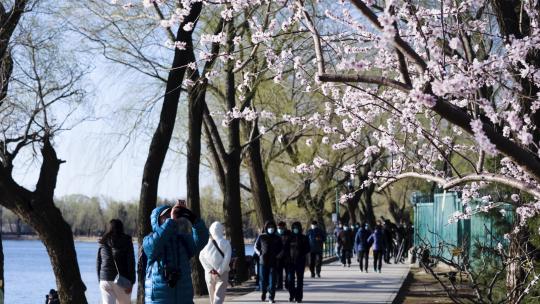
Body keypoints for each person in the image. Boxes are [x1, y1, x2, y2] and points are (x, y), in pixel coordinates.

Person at [143, 200, 209, 304]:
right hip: (159, 301)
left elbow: (202, 239)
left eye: (171, 214)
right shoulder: (149, 240)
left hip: (184, 300)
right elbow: (154, 246)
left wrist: (193, 219)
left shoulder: (182, 240)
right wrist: (171, 221)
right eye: (166, 216)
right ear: (156, 220)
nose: (170, 217)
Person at [97, 219, 135, 304]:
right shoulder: (127, 241)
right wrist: (132, 282)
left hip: (105, 279)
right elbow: (131, 263)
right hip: (122, 279)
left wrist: (100, 279)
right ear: (122, 228)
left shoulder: (103, 242)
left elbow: (98, 263)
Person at [199, 221, 232, 304]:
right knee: (218, 298)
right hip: (222, 274)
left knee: (212, 298)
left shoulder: (206, 244)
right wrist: (219, 271)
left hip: (209, 274)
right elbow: (227, 259)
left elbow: (201, 257)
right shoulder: (226, 243)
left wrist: (210, 270)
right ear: (221, 230)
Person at [255, 220, 283, 303]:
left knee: (272, 281)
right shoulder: (261, 237)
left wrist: (279, 255)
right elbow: (256, 247)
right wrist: (259, 253)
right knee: (263, 280)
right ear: (266, 228)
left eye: (272, 227)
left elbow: (282, 249)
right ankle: (263, 292)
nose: (271, 228)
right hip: (263, 262)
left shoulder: (277, 238)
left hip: (273, 263)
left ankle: (271, 297)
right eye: (269, 227)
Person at [286, 222, 310, 303]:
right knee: (290, 280)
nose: (295, 229)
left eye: (297, 227)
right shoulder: (289, 238)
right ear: (292, 228)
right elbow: (285, 250)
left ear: (300, 228)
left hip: (300, 261)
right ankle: (292, 294)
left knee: (300, 280)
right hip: (290, 262)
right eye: (294, 227)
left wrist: (308, 263)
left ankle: (299, 297)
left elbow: (307, 251)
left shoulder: (304, 238)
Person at [276, 221, 291, 290]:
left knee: (288, 271)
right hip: (278, 256)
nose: (280, 229)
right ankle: (279, 285)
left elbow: (288, 245)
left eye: (282, 227)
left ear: (285, 227)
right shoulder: (276, 234)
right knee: (279, 271)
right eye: (279, 227)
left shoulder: (289, 233)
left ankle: (287, 285)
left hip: (287, 256)